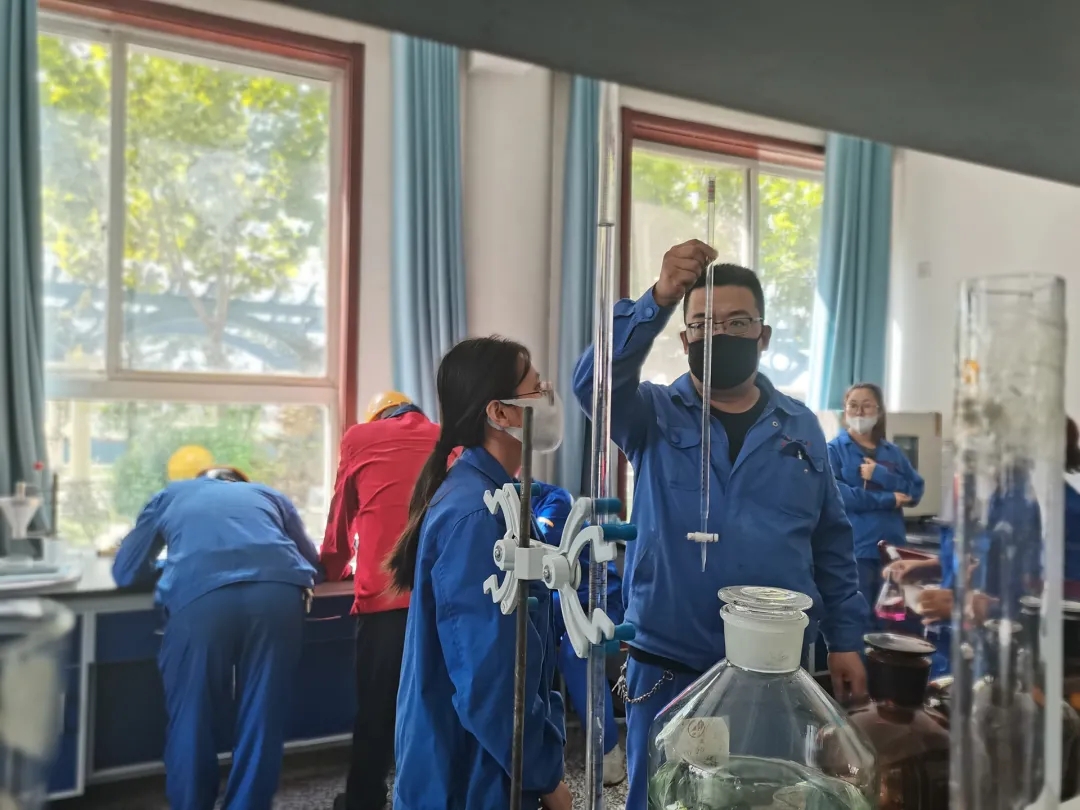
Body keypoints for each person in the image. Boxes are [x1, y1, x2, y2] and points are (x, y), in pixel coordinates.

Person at [573, 242, 868, 808]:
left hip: (775, 672)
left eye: (737, 323)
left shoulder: (799, 427)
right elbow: (592, 383)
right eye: (704, 323)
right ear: (685, 340)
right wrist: (659, 298)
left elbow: (831, 540)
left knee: (769, 796)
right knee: (667, 797)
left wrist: (847, 640)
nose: (720, 334)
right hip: (671, 666)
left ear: (763, 336)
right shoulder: (652, 415)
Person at [388, 337, 571, 810]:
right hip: (470, 771)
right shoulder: (477, 514)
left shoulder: (493, 495)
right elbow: (488, 677)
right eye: (537, 388)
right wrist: (544, 777)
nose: (548, 397)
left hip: (486, 760)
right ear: (500, 412)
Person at [112, 466, 322, 810]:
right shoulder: (270, 496)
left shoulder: (170, 495)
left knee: (193, 714)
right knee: (263, 715)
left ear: (200, 479)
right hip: (279, 596)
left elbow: (126, 571)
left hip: (201, 598)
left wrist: (175, 565)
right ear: (240, 483)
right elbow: (313, 561)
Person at [890, 416, 1080, 676]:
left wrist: (974, 607)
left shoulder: (1060, 511)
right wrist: (931, 568)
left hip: (1019, 658)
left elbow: (1058, 604)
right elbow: (993, 563)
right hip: (969, 644)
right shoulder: (1000, 496)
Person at [322, 392, 440, 810]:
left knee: (375, 708)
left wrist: (331, 568)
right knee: (434, 706)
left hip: (383, 600)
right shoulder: (446, 437)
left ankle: (364, 800)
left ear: (377, 418)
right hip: (438, 598)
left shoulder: (359, 438)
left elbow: (341, 519)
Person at [532, 481, 627, 787]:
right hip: (560, 599)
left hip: (599, 600)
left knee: (576, 653)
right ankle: (540, 742)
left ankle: (608, 751)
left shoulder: (554, 501)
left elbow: (540, 555)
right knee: (527, 636)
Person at [827, 382, 925, 630]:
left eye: (867, 405)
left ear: (879, 412)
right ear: (845, 410)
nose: (859, 412)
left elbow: (915, 490)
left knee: (891, 621)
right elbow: (840, 496)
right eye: (853, 405)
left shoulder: (892, 452)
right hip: (856, 550)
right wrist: (889, 499)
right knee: (856, 620)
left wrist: (881, 475)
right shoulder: (834, 451)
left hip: (892, 552)